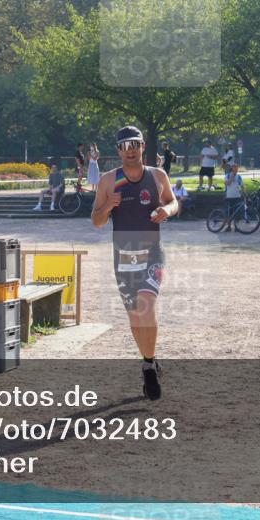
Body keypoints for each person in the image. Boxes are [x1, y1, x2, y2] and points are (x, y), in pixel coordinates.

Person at [91, 126, 178, 401]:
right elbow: (96, 220)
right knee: (134, 317)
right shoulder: (108, 181)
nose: (130, 149)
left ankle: (149, 366)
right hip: (124, 257)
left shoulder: (157, 175)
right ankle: (149, 360)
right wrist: (108, 207)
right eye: (124, 145)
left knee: (146, 305)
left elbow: (173, 201)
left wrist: (167, 210)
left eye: (135, 144)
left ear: (142, 146)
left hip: (152, 252)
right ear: (117, 150)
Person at [223, 162, 244, 231]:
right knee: (229, 212)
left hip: (237, 196)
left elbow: (242, 186)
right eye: (235, 168)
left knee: (236, 212)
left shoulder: (239, 177)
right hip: (229, 196)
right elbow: (226, 184)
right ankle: (229, 226)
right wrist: (231, 178)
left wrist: (244, 192)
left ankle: (236, 227)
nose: (236, 169)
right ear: (232, 168)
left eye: (237, 168)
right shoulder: (227, 176)